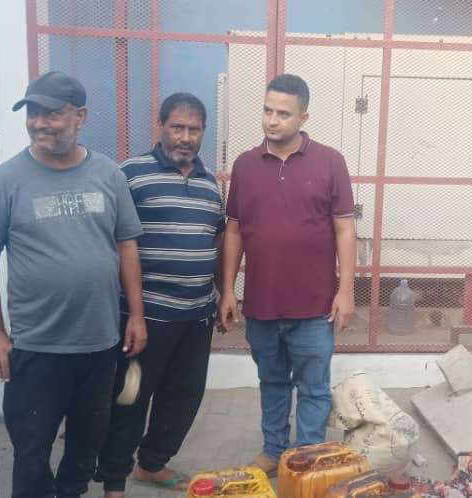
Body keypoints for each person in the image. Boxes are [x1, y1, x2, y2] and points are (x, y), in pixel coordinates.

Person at [0, 70, 147, 498]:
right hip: (36, 349)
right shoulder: (4, 182)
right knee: (31, 454)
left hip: (98, 344)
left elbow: (127, 246)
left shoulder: (109, 176)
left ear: (80, 116)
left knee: (85, 450)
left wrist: (136, 315)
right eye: (32, 112)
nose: (38, 122)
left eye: (51, 113)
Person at [218, 74, 357, 474]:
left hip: (314, 306)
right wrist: (228, 290)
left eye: (283, 114)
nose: (272, 120)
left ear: (303, 117)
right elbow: (234, 230)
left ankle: (306, 459)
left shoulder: (330, 162)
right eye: (267, 111)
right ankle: (274, 450)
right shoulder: (245, 165)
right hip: (261, 304)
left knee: (313, 388)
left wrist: (346, 290)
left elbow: (345, 229)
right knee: (272, 382)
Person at [94, 93, 225, 497]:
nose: (185, 137)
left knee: (183, 397)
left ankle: (151, 465)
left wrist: (223, 295)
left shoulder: (210, 183)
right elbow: (112, 243)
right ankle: (114, 481)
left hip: (196, 315)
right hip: (144, 317)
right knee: (130, 399)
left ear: (203, 132)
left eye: (194, 129)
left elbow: (216, 240)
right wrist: (130, 313)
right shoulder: (130, 174)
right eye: (177, 127)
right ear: (161, 126)